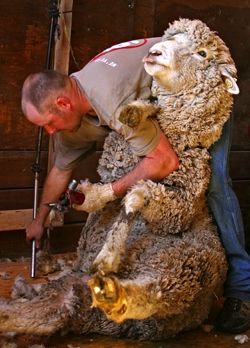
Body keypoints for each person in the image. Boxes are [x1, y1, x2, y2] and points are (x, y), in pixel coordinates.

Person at [21, 37, 250, 334]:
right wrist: (40, 220)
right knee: (140, 171)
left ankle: (242, 288)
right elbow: (60, 169)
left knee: (214, 183)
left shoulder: (111, 99)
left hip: (199, 83)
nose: (50, 132)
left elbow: (165, 162)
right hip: (156, 101)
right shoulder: (76, 114)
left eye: (48, 124)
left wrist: (108, 191)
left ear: (63, 103)